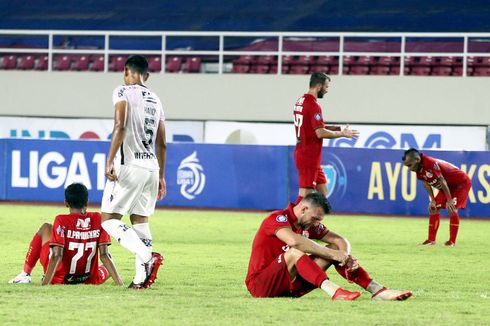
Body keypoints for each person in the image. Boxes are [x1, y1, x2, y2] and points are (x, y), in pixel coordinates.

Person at [245, 192, 412, 300]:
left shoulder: (308, 224)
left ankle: (377, 290)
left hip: (290, 288)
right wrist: (333, 255)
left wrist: (344, 256)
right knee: (295, 252)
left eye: (319, 220)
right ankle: (335, 292)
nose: (316, 223)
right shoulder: (277, 219)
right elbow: (294, 241)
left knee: (334, 248)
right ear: (303, 209)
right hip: (261, 286)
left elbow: (340, 240)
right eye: (315, 218)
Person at [101, 55, 166, 289]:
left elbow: (120, 125)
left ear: (126, 71)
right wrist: (161, 175)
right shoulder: (157, 100)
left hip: (129, 166)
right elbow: (162, 143)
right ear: (146, 76)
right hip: (151, 168)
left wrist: (110, 160)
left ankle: (149, 258)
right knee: (140, 220)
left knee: (108, 220)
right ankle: (140, 280)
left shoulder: (122, 91)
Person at [8, 183, 123, 286]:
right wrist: (120, 284)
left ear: (66, 203)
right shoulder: (98, 218)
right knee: (109, 261)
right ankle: (112, 279)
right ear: (87, 202)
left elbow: (57, 255)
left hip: (60, 279)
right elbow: (104, 255)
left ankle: (25, 274)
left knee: (46, 228)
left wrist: (45, 284)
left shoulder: (61, 220)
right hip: (89, 279)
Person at [293, 72, 359, 204]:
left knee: (323, 194)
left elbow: (315, 126)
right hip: (308, 155)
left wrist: (338, 129)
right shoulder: (314, 105)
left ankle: (314, 223)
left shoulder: (300, 101)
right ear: (318, 86)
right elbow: (320, 133)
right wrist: (342, 134)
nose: (327, 90)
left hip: (307, 154)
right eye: (326, 87)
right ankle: (293, 222)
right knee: (304, 197)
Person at [402, 148, 472, 247]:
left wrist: (449, 200)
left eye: (410, 165)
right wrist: (433, 200)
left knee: (451, 207)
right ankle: (431, 240)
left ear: (417, 160)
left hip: (460, 184)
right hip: (447, 185)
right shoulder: (418, 168)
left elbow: (442, 181)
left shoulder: (430, 163)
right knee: (433, 208)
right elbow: (426, 183)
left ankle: (451, 242)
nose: (409, 168)